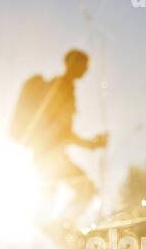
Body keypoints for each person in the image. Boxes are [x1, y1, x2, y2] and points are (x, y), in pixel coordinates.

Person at [9, 49, 108, 219]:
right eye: (84, 65)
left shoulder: (59, 86)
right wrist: (91, 144)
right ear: (72, 63)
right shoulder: (63, 87)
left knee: (48, 195)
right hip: (51, 154)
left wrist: (90, 144)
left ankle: (50, 231)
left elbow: (61, 129)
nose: (86, 70)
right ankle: (60, 228)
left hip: (45, 153)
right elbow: (62, 129)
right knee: (85, 189)